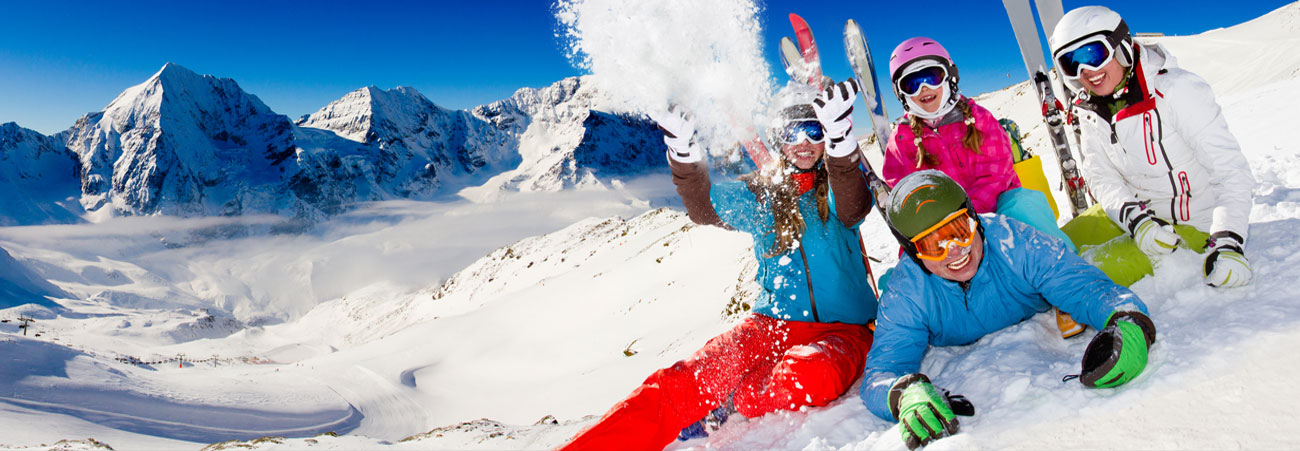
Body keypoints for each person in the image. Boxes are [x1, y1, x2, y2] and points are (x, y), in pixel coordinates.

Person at [559, 81, 879, 450]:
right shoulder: (763, 194)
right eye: (793, 131)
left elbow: (854, 205)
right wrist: (684, 153)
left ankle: (734, 398)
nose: (804, 142)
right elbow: (704, 208)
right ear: (778, 139)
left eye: (815, 130)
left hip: (841, 332)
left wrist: (841, 142)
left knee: (811, 378)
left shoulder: (839, 185)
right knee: (687, 379)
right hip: (770, 325)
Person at [860, 170, 1157, 449]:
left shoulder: (1014, 242)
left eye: (959, 229)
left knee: (1024, 206)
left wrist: (1129, 323)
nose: (955, 250)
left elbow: (1085, 286)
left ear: (974, 217)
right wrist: (902, 393)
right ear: (913, 253)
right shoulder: (906, 292)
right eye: (934, 245)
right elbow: (882, 369)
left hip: (1030, 257)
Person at [882, 36, 1085, 338]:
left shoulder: (978, 120)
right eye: (913, 83)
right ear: (902, 93)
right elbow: (904, 197)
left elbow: (996, 175)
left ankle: (1068, 287)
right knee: (907, 265)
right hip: (944, 232)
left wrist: (967, 222)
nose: (924, 89)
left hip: (995, 215)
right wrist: (931, 236)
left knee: (1025, 204)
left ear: (949, 77)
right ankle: (913, 319)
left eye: (931, 77)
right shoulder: (901, 141)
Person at [1050, 6, 1255, 288]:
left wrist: (1229, 241)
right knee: (1047, 250)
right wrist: (1137, 220)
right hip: (1135, 217)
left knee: (1074, 277)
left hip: (1191, 223)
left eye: (1093, 55)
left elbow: (1230, 170)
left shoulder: (1176, 91)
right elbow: (1100, 175)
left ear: (1120, 46)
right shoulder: (1089, 109)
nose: (1086, 71)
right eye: (1071, 63)